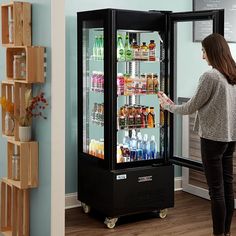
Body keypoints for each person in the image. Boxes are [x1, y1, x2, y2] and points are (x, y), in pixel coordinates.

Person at [158, 33, 236, 236]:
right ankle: (226, 233)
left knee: (216, 191)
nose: (202, 56)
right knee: (227, 187)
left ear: (212, 52)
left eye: (203, 51)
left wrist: (168, 106)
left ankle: (218, 234)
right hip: (230, 139)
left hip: (212, 139)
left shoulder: (210, 76)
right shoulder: (233, 74)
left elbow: (191, 107)